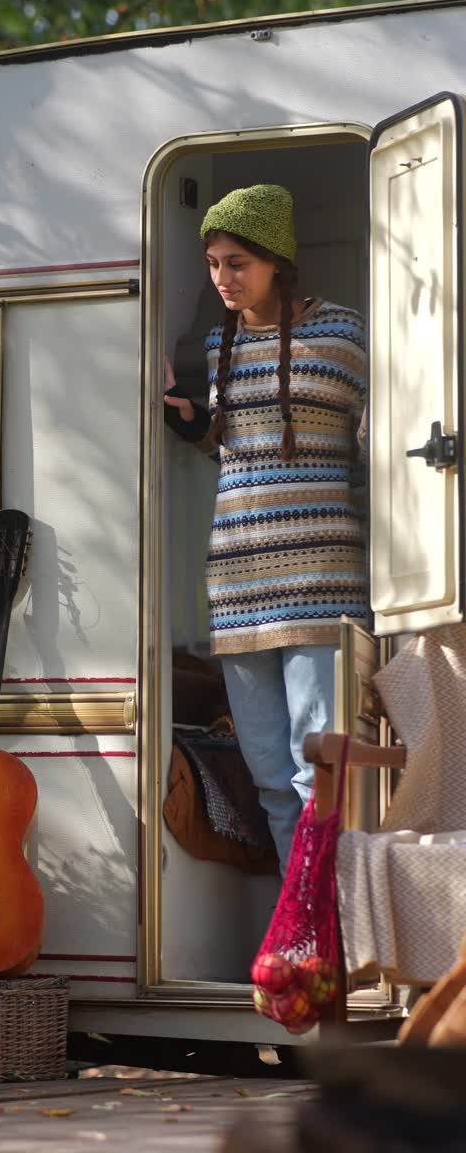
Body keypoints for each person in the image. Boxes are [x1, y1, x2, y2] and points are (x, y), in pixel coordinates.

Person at [164, 183, 368, 874]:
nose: (223, 278)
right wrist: (185, 418)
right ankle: (297, 921)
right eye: (213, 264)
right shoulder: (219, 344)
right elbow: (234, 448)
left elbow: (380, 436)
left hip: (321, 582)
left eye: (237, 263)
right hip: (238, 586)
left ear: (277, 261)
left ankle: (329, 920)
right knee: (272, 782)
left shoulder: (342, 333)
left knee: (319, 776)